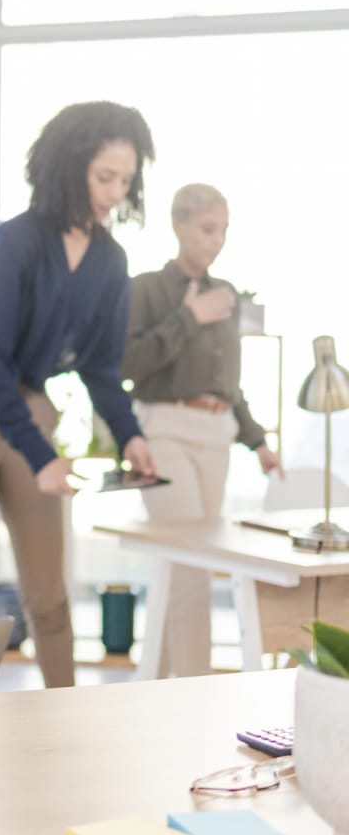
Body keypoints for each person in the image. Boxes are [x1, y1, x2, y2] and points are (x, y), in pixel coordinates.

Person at [0, 100, 157, 689]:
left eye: (125, 180)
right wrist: (43, 455)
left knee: (49, 597)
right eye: (105, 177)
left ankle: (65, 726)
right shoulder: (15, 242)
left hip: (27, 409)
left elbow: (101, 367)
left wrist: (132, 436)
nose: (114, 193)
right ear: (70, 167)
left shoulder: (110, 261)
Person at [122, 183, 283, 677]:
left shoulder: (226, 295)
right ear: (179, 225)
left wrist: (256, 439)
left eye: (224, 231)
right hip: (164, 430)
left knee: (184, 571)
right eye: (208, 229)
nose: (217, 241)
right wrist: (189, 318)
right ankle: (195, 692)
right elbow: (129, 363)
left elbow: (227, 384)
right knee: (189, 570)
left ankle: (156, 687)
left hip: (217, 436)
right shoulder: (145, 288)